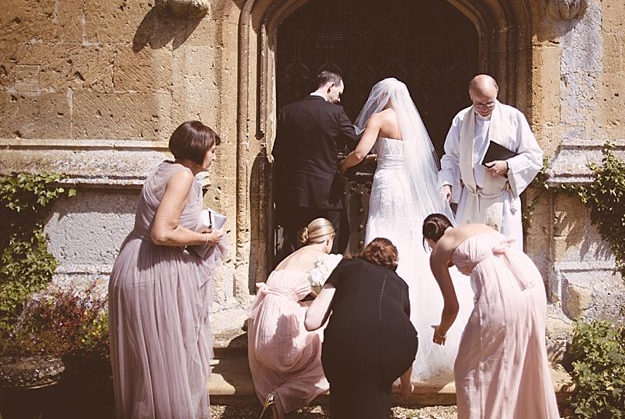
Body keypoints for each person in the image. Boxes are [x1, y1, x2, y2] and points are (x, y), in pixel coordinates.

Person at [339, 77, 472, 384]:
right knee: (408, 242)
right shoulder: (409, 122)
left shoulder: (379, 118)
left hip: (386, 184)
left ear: (381, 96)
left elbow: (360, 153)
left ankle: (378, 307)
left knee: (382, 234)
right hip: (406, 186)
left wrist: (343, 167)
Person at [108, 120, 226, 419]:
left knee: (148, 364)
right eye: (211, 150)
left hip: (136, 261)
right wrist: (205, 238)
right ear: (197, 150)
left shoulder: (164, 168)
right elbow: (162, 233)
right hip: (155, 269)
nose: (213, 156)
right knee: (167, 360)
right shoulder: (184, 176)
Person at [423, 213, 560, 419]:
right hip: (531, 284)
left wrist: (441, 331)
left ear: (430, 239)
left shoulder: (439, 249)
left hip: (503, 294)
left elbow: (452, 307)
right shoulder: (475, 227)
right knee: (521, 357)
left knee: (468, 368)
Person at [305, 238, 418, 419]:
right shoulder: (401, 285)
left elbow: (312, 321)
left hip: (346, 344)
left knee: (343, 396)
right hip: (395, 350)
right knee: (378, 394)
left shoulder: (347, 266)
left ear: (366, 252)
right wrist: (405, 385)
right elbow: (400, 329)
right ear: (393, 263)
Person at [438, 74, 544, 251]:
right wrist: (447, 182)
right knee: (468, 252)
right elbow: (451, 156)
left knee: (501, 255)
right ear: (471, 96)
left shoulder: (513, 117)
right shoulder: (461, 119)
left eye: (490, 103)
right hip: (470, 199)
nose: (485, 108)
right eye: (479, 104)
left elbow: (534, 156)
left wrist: (508, 166)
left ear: (497, 94)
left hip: (500, 200)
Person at [248, 218, 338, 419]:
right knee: (329, 352)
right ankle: (281, 398)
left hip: (261, 332)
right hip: (280, 340)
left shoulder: (292, 256)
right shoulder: (320, 259)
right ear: (328, 240)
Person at [273, 70, 357, 259]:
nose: (338, 99)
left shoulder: (288, 111)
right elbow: (354, 141)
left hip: (296, 191)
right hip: (327, 192)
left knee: (299, 240)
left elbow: (278, 152)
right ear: (330, 86)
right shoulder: (336, 113)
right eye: (339, 93)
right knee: (331, 241)